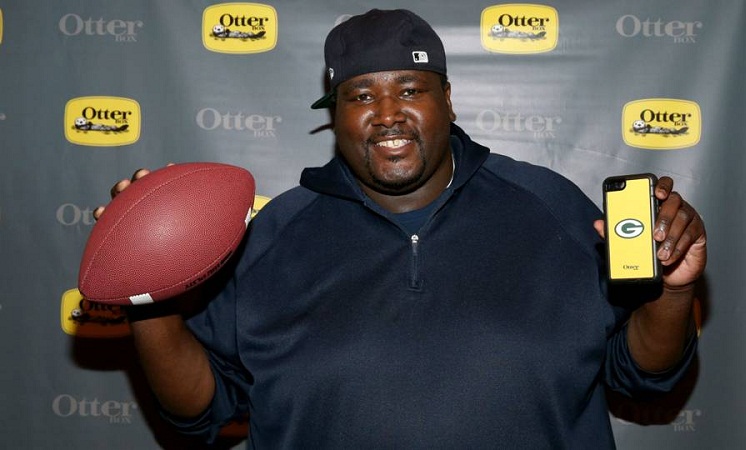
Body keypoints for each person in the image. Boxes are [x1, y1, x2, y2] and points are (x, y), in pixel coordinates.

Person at [96, 9, 706, 449]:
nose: (387, 114)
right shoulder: (270, 236)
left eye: (410, 89)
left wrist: (674, 292)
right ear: (337, 116)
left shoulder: (551, 208)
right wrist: (148, 295)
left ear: (448, 99)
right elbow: (199, 411)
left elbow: (642, 374)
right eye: (361, 96)